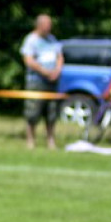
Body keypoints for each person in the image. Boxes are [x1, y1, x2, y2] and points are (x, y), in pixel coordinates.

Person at [20, 14, 64, 149]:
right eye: (47, 24)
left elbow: (60, 57)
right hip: (36, 81)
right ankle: (30, 141)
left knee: (51, 113)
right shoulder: (31, 40)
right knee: (33, 112)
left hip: (52, 81)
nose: (49, 27)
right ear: (39, 25)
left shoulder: (52, 39)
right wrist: (44, 72)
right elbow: (28, 60)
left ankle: (51, 141)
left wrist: (56, 70)